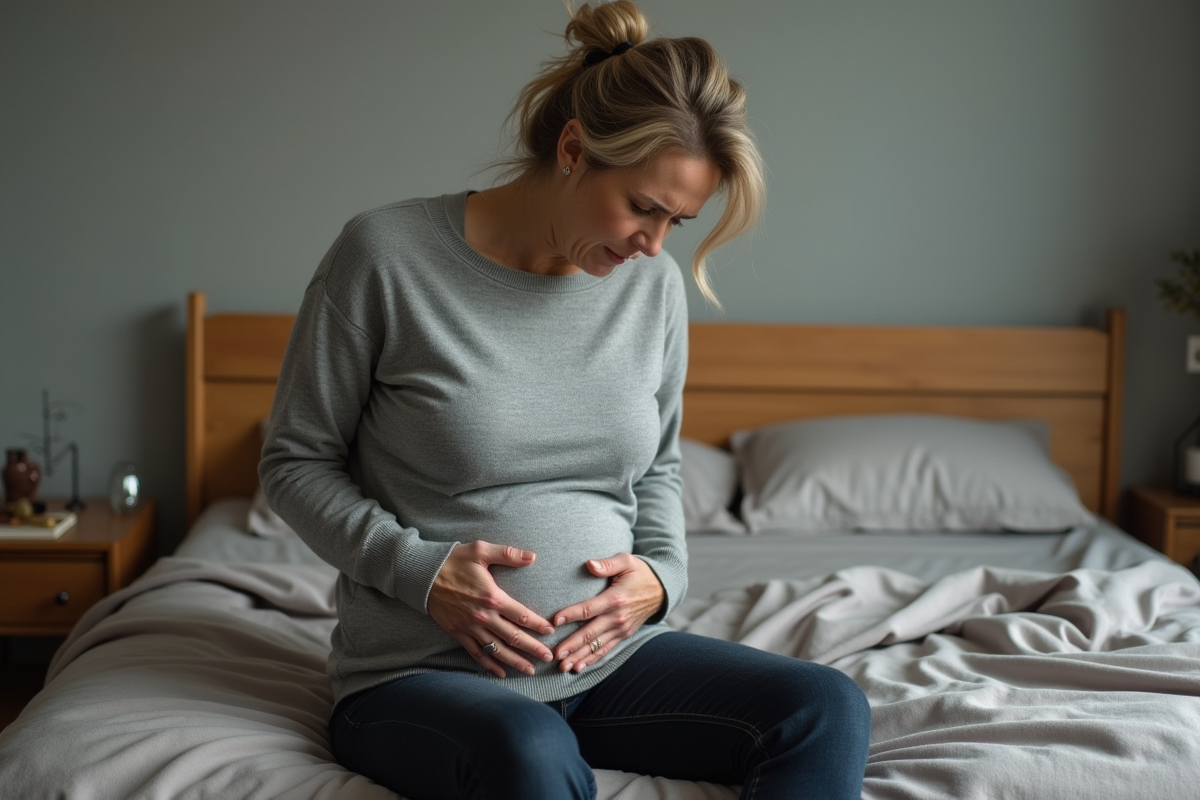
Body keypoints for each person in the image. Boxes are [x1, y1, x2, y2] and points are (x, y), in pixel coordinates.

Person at [259, 2, 871, 798]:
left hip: (611, 665)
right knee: (528, 746)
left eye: (678, 222)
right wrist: (420, 572)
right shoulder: (386, 257)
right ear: (575, 149)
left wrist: (662, 579)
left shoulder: (651, 290)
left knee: (825, 707)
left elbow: (658, 469)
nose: (654, 245)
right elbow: (295, 462)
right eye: (643, 207)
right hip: (422, 675)